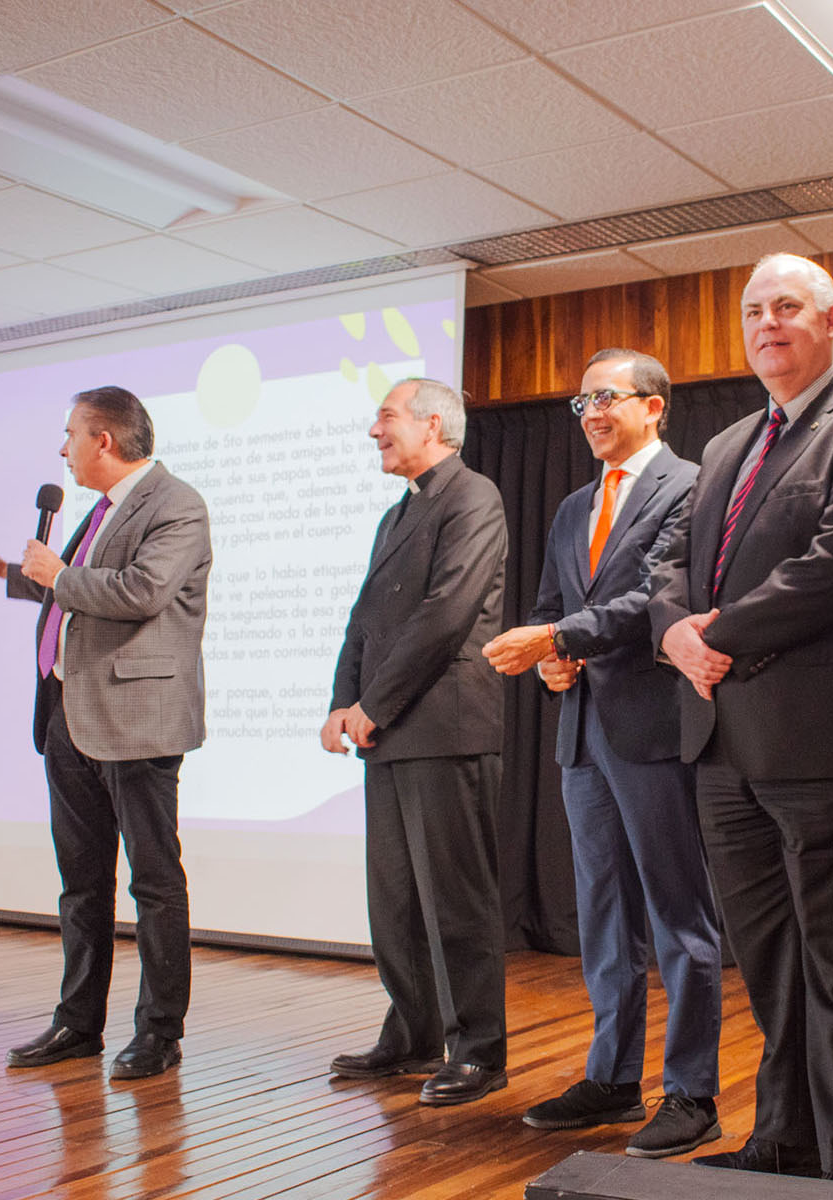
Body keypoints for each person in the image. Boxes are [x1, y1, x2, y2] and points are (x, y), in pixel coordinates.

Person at [647, 253, 833, 1184]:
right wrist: (677, 637)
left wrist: (715, 630)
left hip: (831, 743)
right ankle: (784, 1142)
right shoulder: (725, 445)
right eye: (753, 311)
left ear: (831, 319)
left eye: (787, 307)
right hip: (724, 744)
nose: (768, 323)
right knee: (769, 967)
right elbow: (670, 567)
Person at [482, 348, 724, 1158]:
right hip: (582, 733)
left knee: (678, 917)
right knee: (604, 918)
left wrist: (556, 636)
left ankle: (691, 1092)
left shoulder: (688, 485)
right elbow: (557, 604)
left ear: (654, 406)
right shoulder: (572, 506)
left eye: (606, 397)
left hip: (653, 728)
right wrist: (554, 656)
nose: (589, 412)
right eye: (580, 401)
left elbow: (654, 596)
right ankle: (613, 1079)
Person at [0, 385, 212, 1081]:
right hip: (68, 716)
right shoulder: (99, 511)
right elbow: (70, 586)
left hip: (136, 721)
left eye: (70, 435)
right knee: (81, 883)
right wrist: (16, 575)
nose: (63, 449)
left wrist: (58, 574)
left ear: (103, 440)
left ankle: (159, 1033)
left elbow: (141, 592)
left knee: (154, 883)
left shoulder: (176, 504)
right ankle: (78, 1023)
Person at [320, 377, 511, 1106]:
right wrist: (344, 702)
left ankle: (478, 1050)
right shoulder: (396, 514)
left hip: (443, 725)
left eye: (387, 417)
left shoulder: (473, 496)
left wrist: (375, 702)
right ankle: (411, 1033)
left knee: (455, 899)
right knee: (395, 897)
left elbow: (446, 614)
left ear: (435, 424)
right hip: (390, 729)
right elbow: (363, 618)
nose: (375, 431)